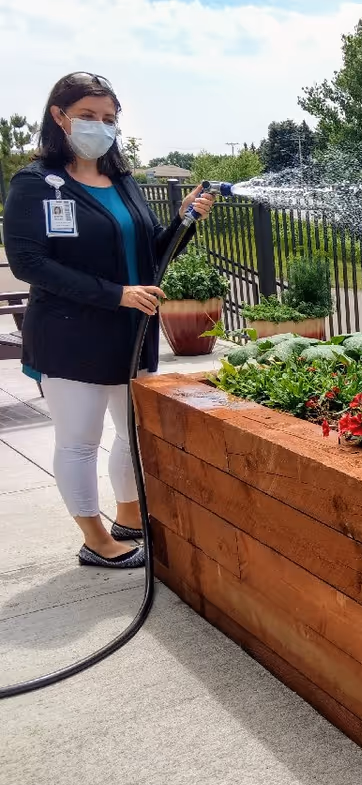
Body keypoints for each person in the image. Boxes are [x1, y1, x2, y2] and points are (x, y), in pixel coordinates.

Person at [3, 73, 215, 569]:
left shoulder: (123, 182)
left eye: (109, 119)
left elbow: (151, 259)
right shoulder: (35, 185)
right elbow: (30, 264)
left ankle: (128, 517)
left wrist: (182, 222)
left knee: (131, 431)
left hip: (131, 331)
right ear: (59, 116)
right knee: (79, 441)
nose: (101, 127)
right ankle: (95, 538)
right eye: (89, 117)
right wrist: (116, 294)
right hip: (70, 333)